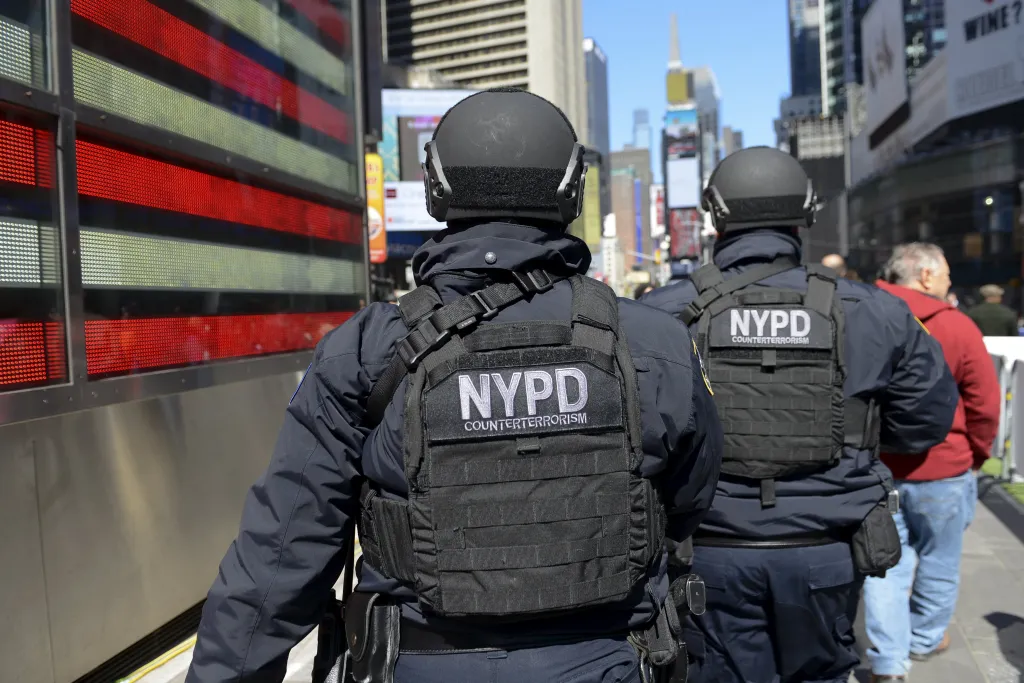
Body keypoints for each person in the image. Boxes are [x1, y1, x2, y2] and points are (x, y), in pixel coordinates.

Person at [184, 88, 723, 683]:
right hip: (609, 660)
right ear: (572, 190)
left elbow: (280, 555)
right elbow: (690, 498)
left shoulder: (366, 350)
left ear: (436, 188)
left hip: (418, 662)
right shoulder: (652, 342)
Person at [642, 147, 957, 683]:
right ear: (807, 212)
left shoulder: (661, 314)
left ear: (715, 215)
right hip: (827, 554)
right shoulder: (877, 311)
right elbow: (924, 423)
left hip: (709, 557)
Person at [865, 244, 1000, 681]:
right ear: (925, 276)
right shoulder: (958, 326)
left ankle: (888, 659)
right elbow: (984, 404)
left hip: (879, 468)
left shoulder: (860, 315)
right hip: (945, 467)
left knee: (884, 565)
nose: (948, 284)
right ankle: (924, 639)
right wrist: (977, 454)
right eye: (944, 276)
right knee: (940, 558)